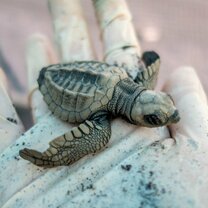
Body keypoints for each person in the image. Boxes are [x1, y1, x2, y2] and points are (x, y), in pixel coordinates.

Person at [0, 0, 208, 207]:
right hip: (58, 85)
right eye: (154, 119)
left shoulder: (128, 79)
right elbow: (150, 67)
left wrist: (152, 61)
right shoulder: (101, 128)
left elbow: (150, 67)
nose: (173, 117)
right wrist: (48, 158)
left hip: (93, 76)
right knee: (98, 137)